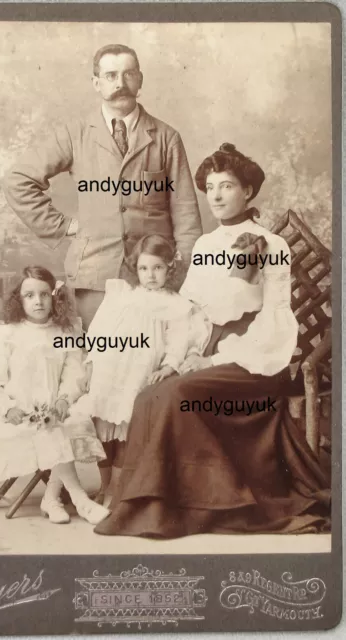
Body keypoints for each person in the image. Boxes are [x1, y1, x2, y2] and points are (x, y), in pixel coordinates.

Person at [94, 143, 331, 539]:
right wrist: (181, 357)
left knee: (176, 396)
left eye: (227, 186)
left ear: (248, 192)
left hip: (253, 359)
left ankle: (200, 507)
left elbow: (269, 314)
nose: (217, 195)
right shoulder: (203, 246)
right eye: (211, 186)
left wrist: (211, 361)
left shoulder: (267, 245)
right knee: (149, 393)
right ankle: (153, 504)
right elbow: (192, 311)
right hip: (206, 352)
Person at [3, 44, 202, 330]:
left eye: (128, 74)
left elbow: (185, 212)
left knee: (154, 362)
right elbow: (17, 180)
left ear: (140, 80)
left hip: (153, 275)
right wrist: (63, 225)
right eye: (110, 75)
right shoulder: (76, 134)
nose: (120, 84)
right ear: (96, 83)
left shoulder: (166, 137)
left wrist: (182, 271)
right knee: (97, 360)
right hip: (94, 274)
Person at [0, 266, 109, 526]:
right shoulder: (9, 333)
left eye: (44, 294)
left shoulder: (66, 330)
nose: (38, 301)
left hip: (54, 408)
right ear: (20, 298)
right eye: (29, 295)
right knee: (50, 430)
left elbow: (74, 374)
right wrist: (8, 409)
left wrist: (63, 399)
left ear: (55, 296)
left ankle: (51, 498)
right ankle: (81, 500)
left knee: (67, 423)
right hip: (15, 413)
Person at [71, 234, 211, 504]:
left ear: (170, 267)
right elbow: (101, 331)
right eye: (144, 268)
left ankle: (116, 489)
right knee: (103, 426)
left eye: (157, 268)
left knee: (125, 426)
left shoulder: (176, 304)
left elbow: (179, 339)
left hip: (139, 371)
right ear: (135, 269)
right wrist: (91, 362)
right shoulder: (122, 296)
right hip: (110, 369)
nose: (150, 275)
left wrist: (170, 365)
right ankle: (104, 485)